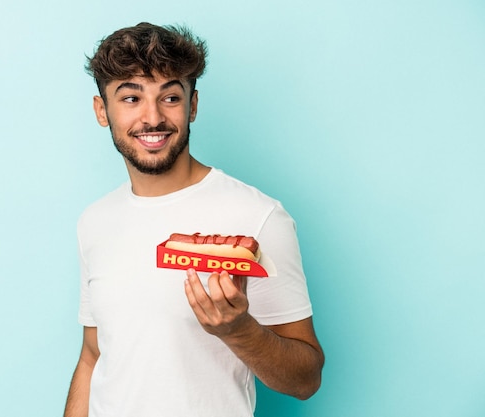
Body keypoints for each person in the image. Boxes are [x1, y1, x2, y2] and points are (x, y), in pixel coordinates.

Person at [64, 22, 324, 417]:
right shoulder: (94, 222)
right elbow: (92, 355)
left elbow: (306, 380)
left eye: (170, 96)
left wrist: (238, 330)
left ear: (193, 105)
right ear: (103, 110)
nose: (152, 118)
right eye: (131, 98)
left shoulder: (258, 217)